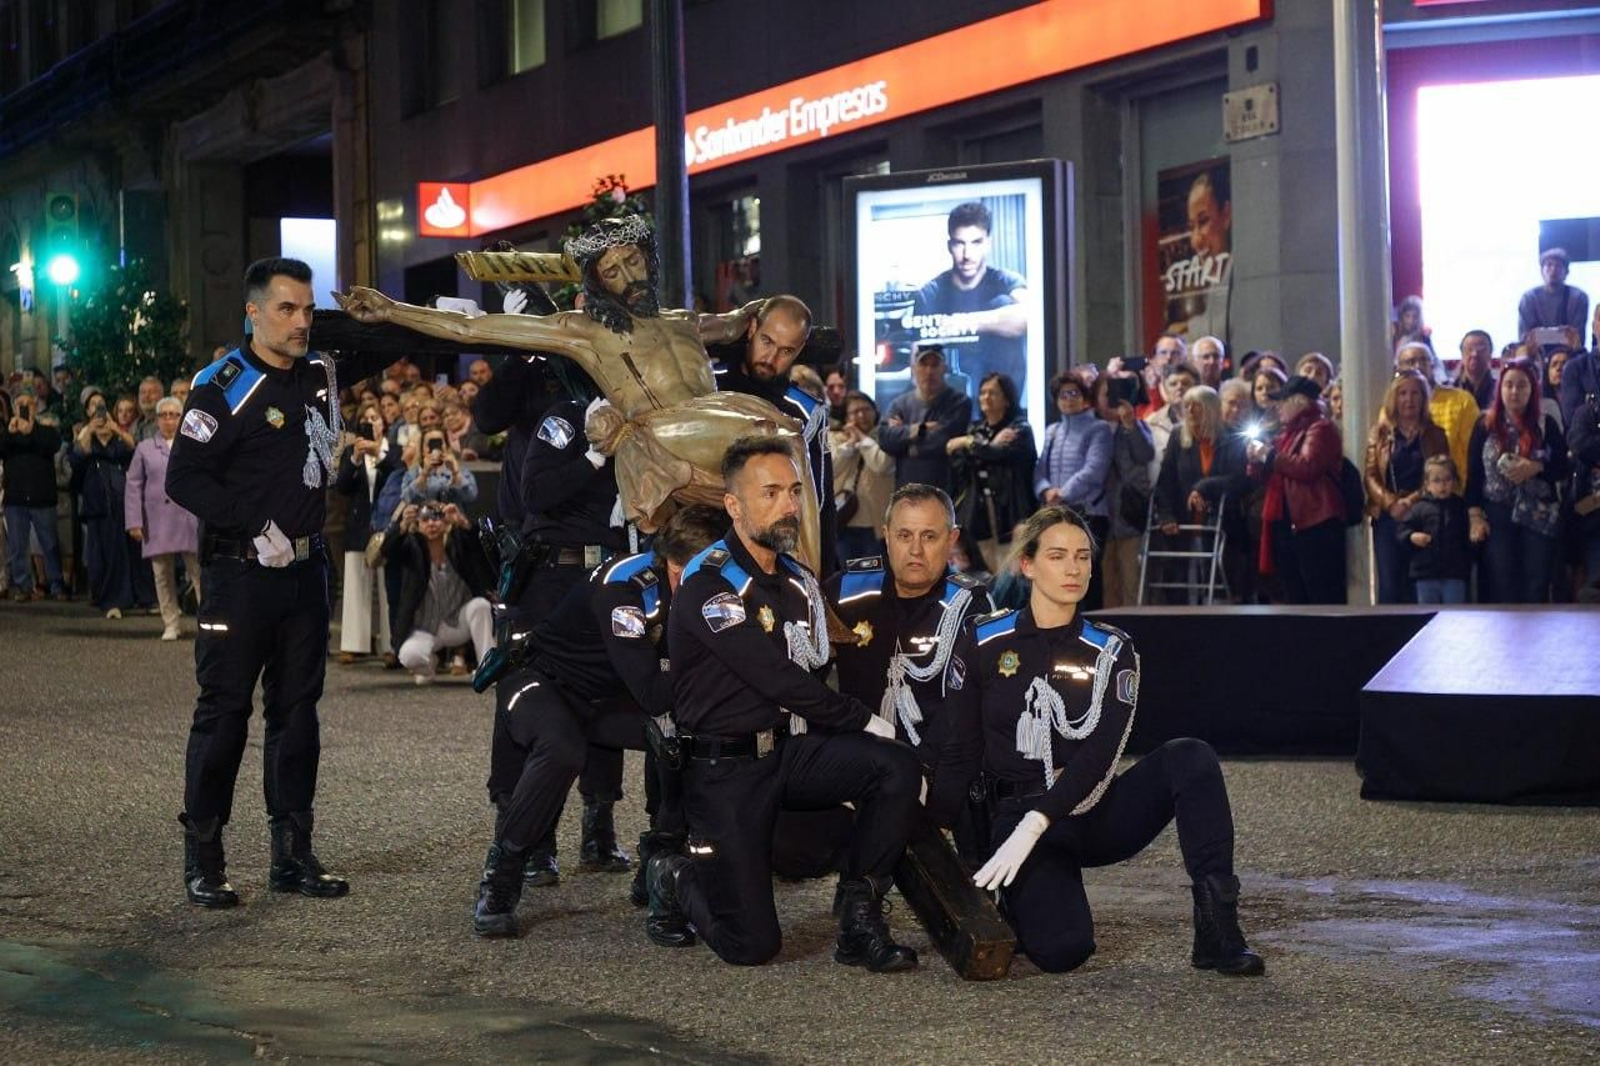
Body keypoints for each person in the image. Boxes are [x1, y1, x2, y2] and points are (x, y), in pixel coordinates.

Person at [335, 217, 836, 571]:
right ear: (597, 284)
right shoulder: (585, 330)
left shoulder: (685, 322)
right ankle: (812, 586)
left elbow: (752, 318)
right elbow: (469, 328)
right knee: (775, 430)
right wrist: (392, 310)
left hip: (708, 437)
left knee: (780, 476)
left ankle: (800, 586)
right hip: (656, 438)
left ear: (649, 260)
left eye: (633, 261)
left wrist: (782, 316)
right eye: (612, 271)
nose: (628, 277)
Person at [648, 436, 922, 972]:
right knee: (752, 946)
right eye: (770, 493)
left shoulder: (795, 580)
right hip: (724, 773)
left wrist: (875, 739)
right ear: (734, 505)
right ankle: (672, 873)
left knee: (896, 767)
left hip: (787, 756)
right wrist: (867, 722)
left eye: (794, 491)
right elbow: (776, 678)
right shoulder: (710, 583)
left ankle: (858, 918)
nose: (789, 505)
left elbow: (821, 664)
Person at [955, 505, 1263, 976]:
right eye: (1058, 556)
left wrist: (1041, 820)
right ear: (1028, 565)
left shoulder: (1111, 649)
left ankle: (1218, 929)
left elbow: (1099, 756)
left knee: (1190, 757)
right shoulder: (984, 640)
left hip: (1087, 808)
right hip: (1017, 821)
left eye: (1082, 556)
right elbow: (959, 744)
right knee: (1062, 951)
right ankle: (1020, 903)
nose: (1074, 568)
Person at [165, 257, 354, 909]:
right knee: (224, 715)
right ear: (252, 313)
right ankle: (205, 857)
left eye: (307, 310)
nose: (302, 322)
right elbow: (183, 478)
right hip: (241, 574)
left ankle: (292, 854)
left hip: (306, 573)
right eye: (286, 309)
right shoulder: (224, 384)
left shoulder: (319, 376)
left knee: (298, 715)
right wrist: (254, 526)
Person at [473, 505, 726, 939]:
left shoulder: (689, 586)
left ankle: (661, 860)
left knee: (685, 732)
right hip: (539, 681)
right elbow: (651, 690)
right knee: (562, 747)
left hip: (603, 700)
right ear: (681, 565)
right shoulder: (624, 588)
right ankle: (502, 875)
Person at [826, 485, 992, 861]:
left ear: (951, 539)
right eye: (904, 535)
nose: (915, 550)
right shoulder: (846, 590)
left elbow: (965, 716)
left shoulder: (969, 605)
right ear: (886, 535)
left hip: (941, 769)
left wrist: (929, 785)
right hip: (859, 761)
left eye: (929, 536)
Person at [714, 294, 838, 574]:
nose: (770, 358)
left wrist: (826, 577)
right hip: (702, 545)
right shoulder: (708, 383)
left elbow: (819, 504)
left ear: (800, 350)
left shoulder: (807, 412)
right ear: (752, 328)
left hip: (773, 555)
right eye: (767, 341)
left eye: (785, 351)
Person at [1465, 358, 1568, 604]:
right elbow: (1474, 473)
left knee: (1536, 583)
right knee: (1502, 582)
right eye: (1509, 385)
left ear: (1532, 390)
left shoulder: (1546, 424)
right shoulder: (1484, 425)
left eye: (1522, 386)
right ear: (1499, 389)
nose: (1514, 391)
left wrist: (1535, 467)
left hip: (1538, 512)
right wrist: (1475, 516)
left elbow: (1562, 467)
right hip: (1497, 511)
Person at [1245, 375, 1346, 604]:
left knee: (1319, 593)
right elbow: (1271, 475)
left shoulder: (1321, 428)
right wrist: (1255, 461)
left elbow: (1307, 467)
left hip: (1314, 523)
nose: (1278, 407)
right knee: (1294, 592)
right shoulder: (1287, 433)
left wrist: (1268, 455)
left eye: (1283, 401)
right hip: (1288, 522)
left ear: (1299, 402)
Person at [909, 201, 1029, 390]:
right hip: (950, 402)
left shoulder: (1005, 281)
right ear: (950, 246)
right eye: (959, 243)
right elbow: (916, 368)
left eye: (976, 242)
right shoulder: (930, 294)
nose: (967, 254)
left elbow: (1032, 314)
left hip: (1002, 398)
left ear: (988, 244)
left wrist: (963, 324)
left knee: (1003, 303)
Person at [1362, 370, 1449, 605]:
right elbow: (1370, 476)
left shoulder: (1436, 435)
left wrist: (1410, 502)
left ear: (1423, 398)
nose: (1408, 399)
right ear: (1394, 398)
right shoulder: (1380, 433)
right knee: (1390, 586)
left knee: (1417, 585)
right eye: (1402, 393)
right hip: (1388, 516)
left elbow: (1441, 475)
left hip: (1422, 514)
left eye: (1414, 394)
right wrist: (1391, 504)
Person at [386, 501, 496, 682]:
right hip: (425, 627)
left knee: (480, 606)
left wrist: (464, 523)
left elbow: (480, 549)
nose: (431, 524)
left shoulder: (458, 544)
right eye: (425, 520)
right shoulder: (411, 549)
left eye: (437, 519)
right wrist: (402, 525)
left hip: (456, 623)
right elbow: (388, 550)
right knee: (408, 656)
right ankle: (429, 665)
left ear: (445, 523)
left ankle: (488, 669)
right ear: (418, 525)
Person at [125, 397, 201, 640]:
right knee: (162, 575)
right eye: (164, 415)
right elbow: (134, 485)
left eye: (174, 414)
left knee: (199, 573)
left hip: (189, 518)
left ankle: (207, 622)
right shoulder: (145, 448)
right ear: (157, 419)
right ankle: (171, 622)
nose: (169, 420)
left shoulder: (193, 444)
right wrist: (134, 521)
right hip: (157, 520)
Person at [70, 391, 151, 617]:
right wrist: (89, 429)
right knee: (101, 555)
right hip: (97, 504)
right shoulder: (86, 436)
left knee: (126, 554)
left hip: (123, 503)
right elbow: (76, 457)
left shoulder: (118, 438)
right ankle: (106, 599)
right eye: (94, 407)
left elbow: (135, 450)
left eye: (102, 406)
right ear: (88, 411)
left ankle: (129, 598)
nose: (99, 412)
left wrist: (117, 430)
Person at [1034, 370, 1111, 607]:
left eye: (1074, 393)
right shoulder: (1051, 431)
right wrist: (1046, 490)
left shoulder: (1099, 428)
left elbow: (1094, 470)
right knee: (1061, 574)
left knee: (1088, 574)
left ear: (1085, 397)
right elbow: (1039, 469)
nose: (1068, 399)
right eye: (1063, 394)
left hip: (1090, 513)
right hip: (1058, 515)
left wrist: (1062, 493)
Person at [947, 372, 1037, 574]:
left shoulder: (1020, 427)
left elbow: (1001, 454)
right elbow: (959, 461)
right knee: (986, 573)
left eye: (993, 393)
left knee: (1013, 573)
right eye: (982, 393)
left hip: (1011, 512)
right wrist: (988, 446)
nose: (986, 397)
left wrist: (969, 442)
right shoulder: (976, 428)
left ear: (1007, 399)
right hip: (979, 514)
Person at [335, 401, 400, 663]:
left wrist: (378, 455)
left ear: (383, 423)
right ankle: (353, 643)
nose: (371, 421)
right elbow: (341, 486)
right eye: (366, 417)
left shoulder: (392, 450)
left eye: (375, 417)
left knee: (388, 586)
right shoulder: (353, 451)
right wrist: (355, 459)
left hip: (387, 526)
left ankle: (391, 644)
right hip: (359, 524)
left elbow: (398, 475)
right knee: (354, 583)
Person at [1088, 371, 1155, 608]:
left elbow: (1146, 453)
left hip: (1130, 515)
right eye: (1106, 394)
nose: (1111, 399)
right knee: (1106, 583)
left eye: (1116, 393)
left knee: (1132, 582)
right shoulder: (1091, 428)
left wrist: (1130, 425)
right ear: (1095, 397)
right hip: (1099, 517)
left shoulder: (1137, 426)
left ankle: (1138, 636)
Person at [878, 345, 973, 493]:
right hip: (907, 492)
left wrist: (904, 445)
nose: (929, 371)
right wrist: (917, 430)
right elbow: (884, 438)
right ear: (914, 368)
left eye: (935, 365)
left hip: (946, 492)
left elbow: (944, 440)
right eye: (924, 364)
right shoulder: (899, 404)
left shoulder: (959, 403)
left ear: (944, 368)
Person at [1, 388, 67, 601]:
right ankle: (23, 586)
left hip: (42, 497)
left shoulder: (45, 430)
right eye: (20, 404)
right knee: (18, 546)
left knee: (50, 544)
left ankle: (57, 584)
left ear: (35, 407)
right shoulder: (8, 432)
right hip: (16, 498)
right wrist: (10, 433)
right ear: (13, 408)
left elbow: (53, 445)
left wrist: (31, 431)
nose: (24, 408)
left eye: (29, 404)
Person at [1396, 342, 1479, 486]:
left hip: (1451, 492)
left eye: (1423, 360)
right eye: (1410, 362)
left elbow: (1475, 452)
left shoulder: (1461, 400)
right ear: (1398, 369)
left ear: (1433, 365)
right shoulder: (1392, 407)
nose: (1418, 366)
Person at [828, 391, 895, 562]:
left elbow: (883, 464)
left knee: (875, 578)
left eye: (866, 409)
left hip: (876, 526)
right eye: (854, 412)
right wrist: (850, 443)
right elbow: (830, 469)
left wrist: (863, 439)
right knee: (847, 578)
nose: (861, 415)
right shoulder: (835, 438)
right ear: (846, 416)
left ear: (875, 411)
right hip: (844, 522)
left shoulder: (885, 436)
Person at [1397, 456, 1471, 605]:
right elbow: (1402, 530)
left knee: (1454, 616)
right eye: (1436, 481)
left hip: (1454, 574)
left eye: (1447, 479)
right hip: (1425, 574)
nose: (1442, 485)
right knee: (1427, 615)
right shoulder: (1419, 508)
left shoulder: (1460, 506)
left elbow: (1466, 538)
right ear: (1427, 485)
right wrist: (1412, 537)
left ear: (1454, 481)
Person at [1517, 248, 1589, 340]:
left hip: (1569, 352)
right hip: (1536, 351)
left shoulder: (1578, 298)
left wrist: (1541, 334)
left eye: (1558, 266)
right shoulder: (1528, 298)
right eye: (1548, 265)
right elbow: (1524, 337)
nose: (1553, 269)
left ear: (1566, 272)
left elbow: (1577, 337)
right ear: (1541, 271)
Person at [400, 429, 478, 507]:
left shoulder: (461, 471)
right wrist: (424, 474)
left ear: (446, 446)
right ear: (422, 449)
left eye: (439, 442)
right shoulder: (413, 473)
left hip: (452, 517)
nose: (435, 448)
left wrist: (455, 473)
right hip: (423, 517)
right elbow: (406, 498)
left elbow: (471, 496)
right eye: (430, 443)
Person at [1145, 363, 1200, 466]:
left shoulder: (1209, 419)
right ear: (1165, 389)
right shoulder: (1152, 423)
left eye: (1185, 383)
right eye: (1173, 384)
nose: (1179, 387)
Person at [1454, 330, 1497, 412]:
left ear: (1490, 354)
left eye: (1481, 350)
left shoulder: (1500, 389)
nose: (1475, 354)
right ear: (1462, 354)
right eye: (1469, 349)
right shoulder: (1450, 389)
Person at [135, 376, 165, 442]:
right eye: (143, 392)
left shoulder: (169, 422)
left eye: (152, 392)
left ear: (162, 396)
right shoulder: (135, 426)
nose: (146, 396)